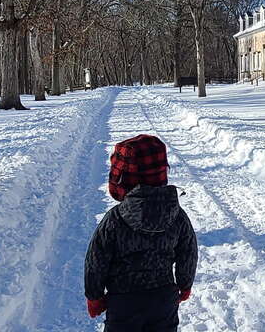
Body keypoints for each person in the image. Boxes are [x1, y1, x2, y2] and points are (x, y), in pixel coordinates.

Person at [84, 134, 198, 332]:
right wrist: (185, 283)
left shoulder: (115, 218)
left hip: (123, 300)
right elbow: (188, 252)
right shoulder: (177, 215)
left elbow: (97, 259)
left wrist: (94, 295)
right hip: (164, 297)